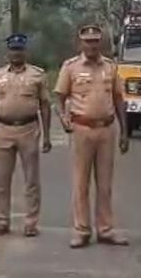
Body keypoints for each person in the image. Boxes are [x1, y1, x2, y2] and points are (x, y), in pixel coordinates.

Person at [55, 24, 130, 248]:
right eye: (88, 41)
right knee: (81, 182)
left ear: (101, 43)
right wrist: (62, 117)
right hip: (82, 129)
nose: (92, 45)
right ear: (80, 43)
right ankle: (82, 230)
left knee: (105, 183)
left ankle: (105, 229)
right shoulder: (71, 67)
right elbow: (59, 96)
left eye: (96, 40)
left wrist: (125, 131)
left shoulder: (110, 67)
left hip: (107, 129)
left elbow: (119, 99)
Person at [0, 33, 52, 237]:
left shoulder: (37, 75)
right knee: (1, 180)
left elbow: (45, 106)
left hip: (28, 129)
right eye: (13, 50)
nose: (16, 53)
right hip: (2, 130)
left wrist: (46, 135)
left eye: (19, 50)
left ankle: (31, 223)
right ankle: (2, 221)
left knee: (31, 180)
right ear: (8, 52)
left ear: (25, 51)